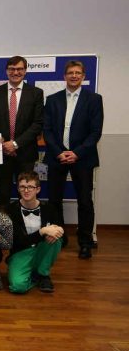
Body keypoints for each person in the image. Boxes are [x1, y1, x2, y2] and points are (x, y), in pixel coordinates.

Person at [43, 60, 103, 260]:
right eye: (70, 73)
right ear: (64, 76)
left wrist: (76, 152)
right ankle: (59, 238)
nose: (74, 76)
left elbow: (95, 132)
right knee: (54, 201)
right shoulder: (52, 99)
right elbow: (48, 130)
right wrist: (60, 151)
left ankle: (85, 242)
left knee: (85, 201)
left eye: (78, 73)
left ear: (83, 76)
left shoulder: (94, 99)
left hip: (83, 158)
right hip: (57, 156)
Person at [0, 56, 44, 211]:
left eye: (19, 69)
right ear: (6, 71)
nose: (15, 72)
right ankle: (3, 229)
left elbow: (37, 123)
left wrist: (15, 144)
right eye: (12, 69)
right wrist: (3, 143)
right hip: (1, 152)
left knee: (26, 192)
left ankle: (23, 230)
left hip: (25, 152)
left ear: (25, 71)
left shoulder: (36, 93)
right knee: (2, 193)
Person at [7, 171, 65, 294]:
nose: (26, 190)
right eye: (22, 187)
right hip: (21, 251)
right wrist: (42, 231)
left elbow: (62, 233)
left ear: (38, 189)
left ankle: (43, 274)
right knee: (18, 287)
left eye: (30, 187)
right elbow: (17, 241)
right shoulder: (11, 210)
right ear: (18, 189)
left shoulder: (49, 208)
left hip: (42, 249)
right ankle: (33, 276)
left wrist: (60, 230)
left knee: (56, 237)